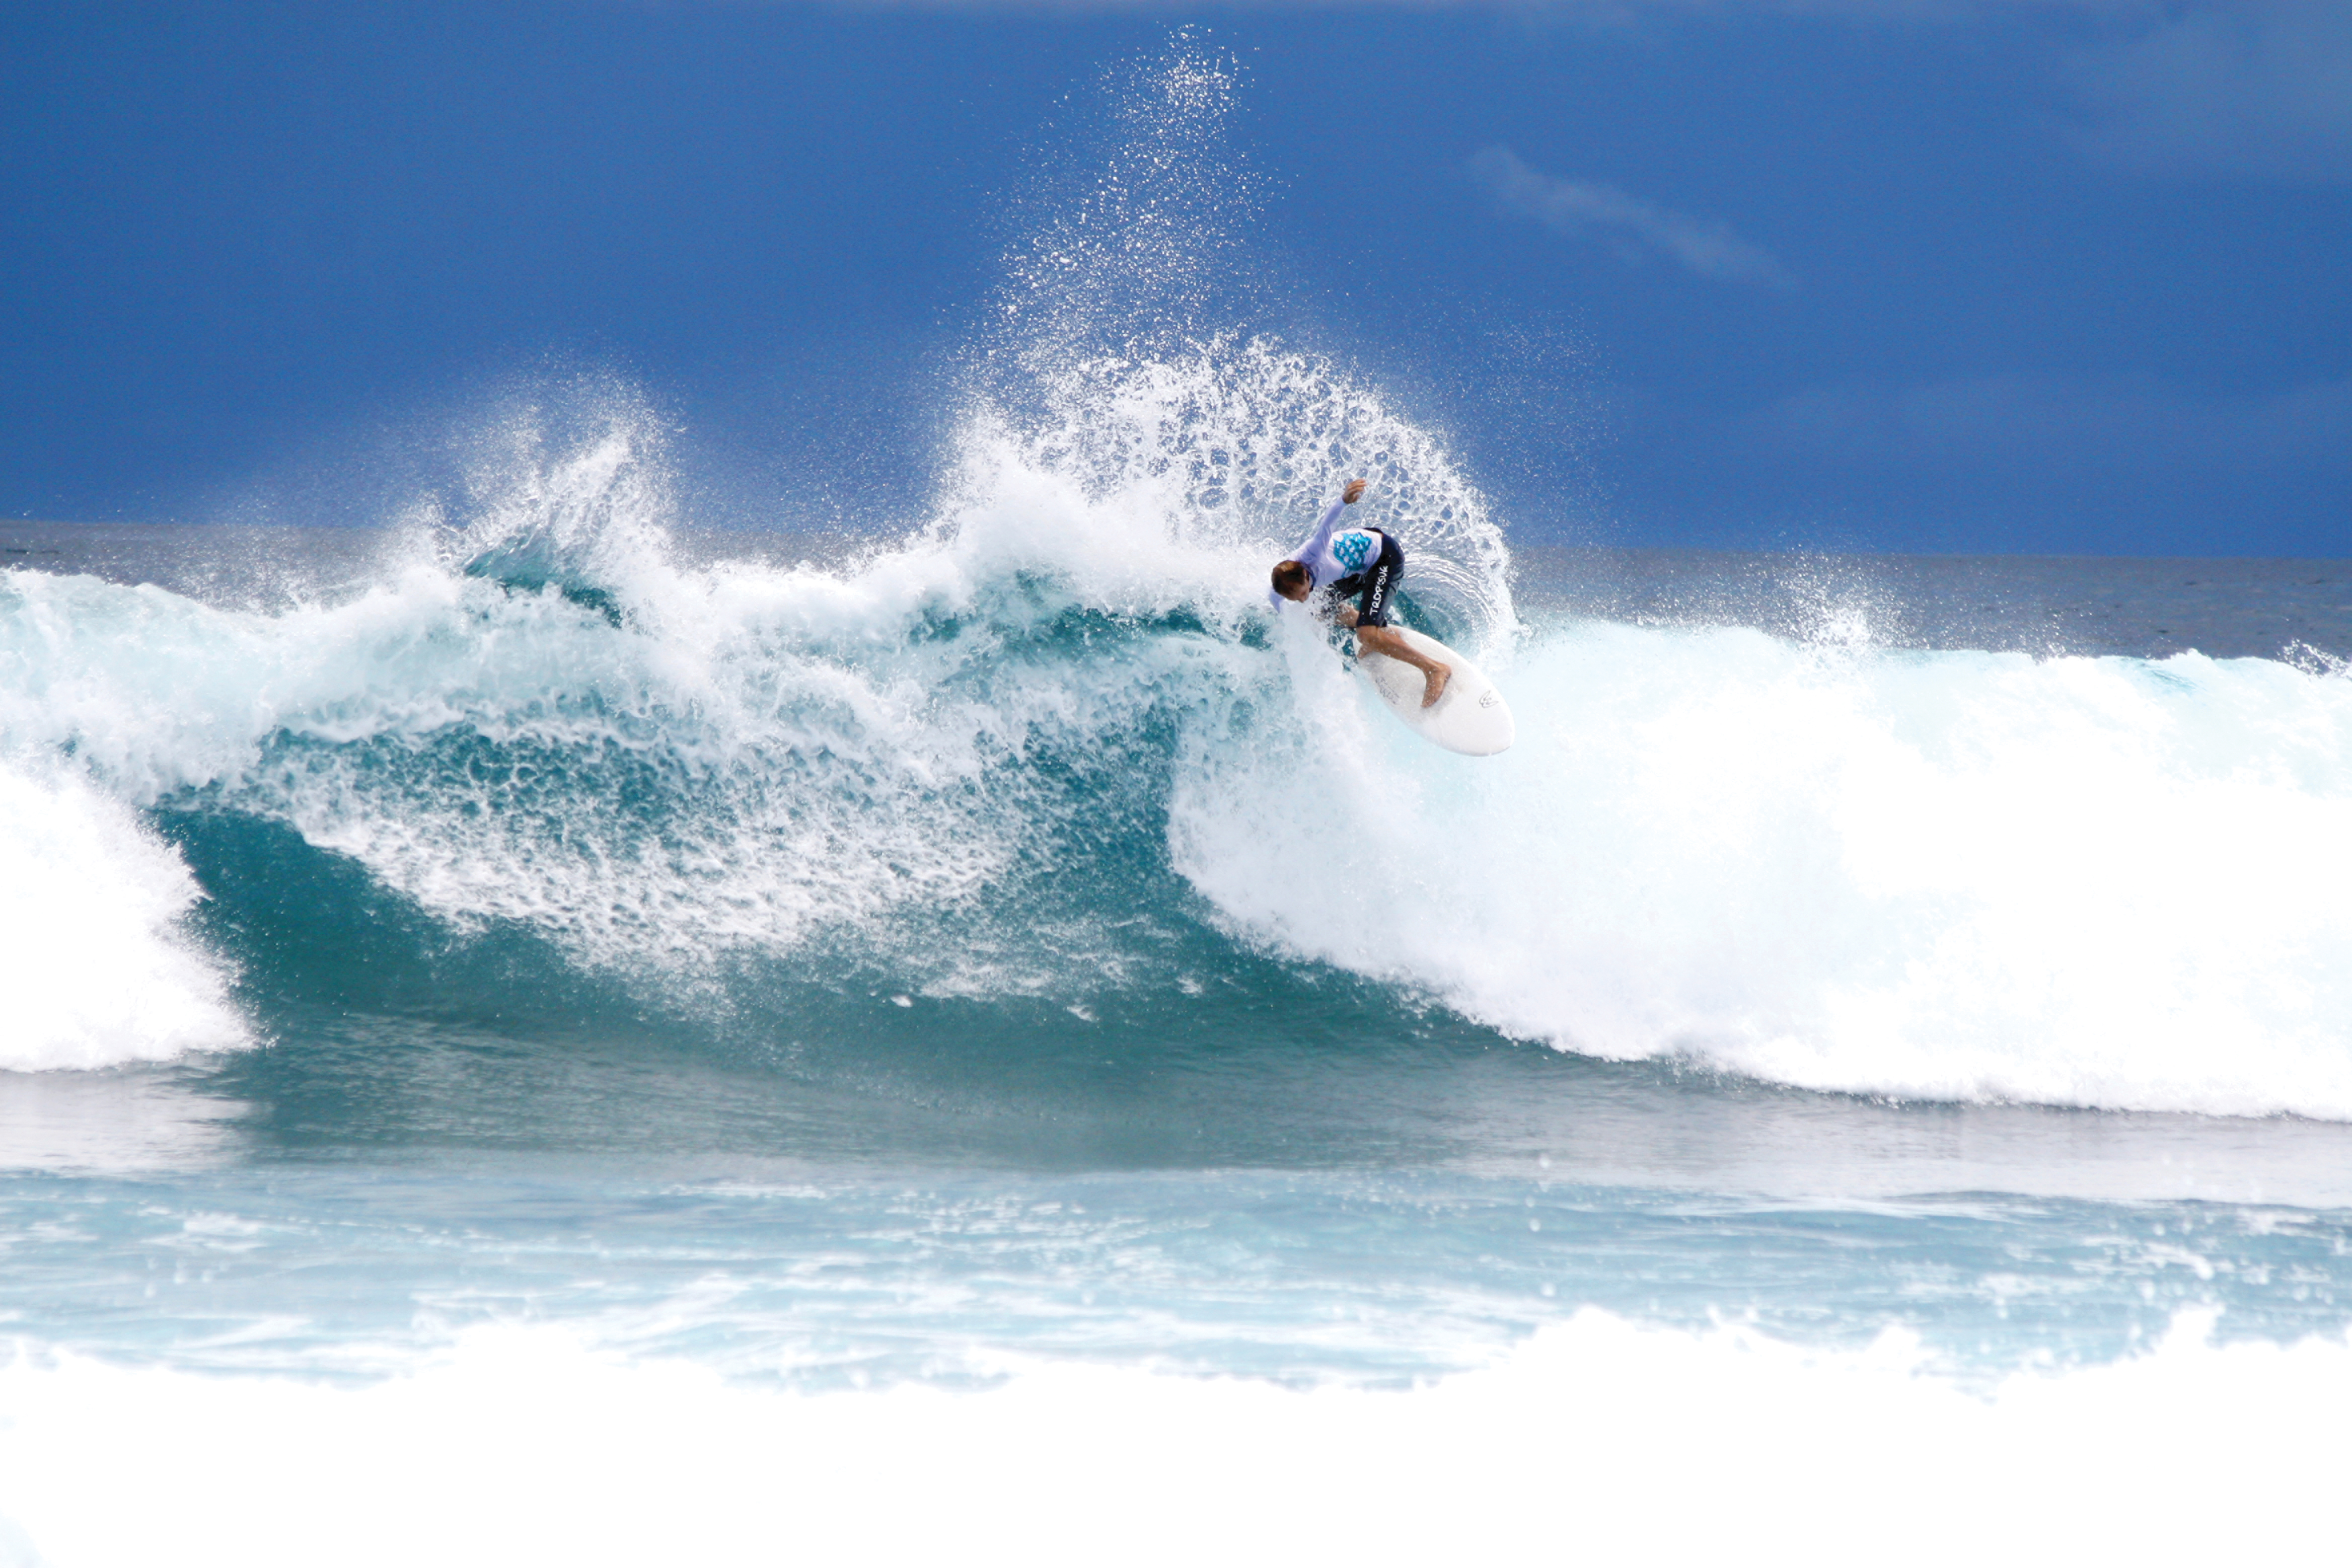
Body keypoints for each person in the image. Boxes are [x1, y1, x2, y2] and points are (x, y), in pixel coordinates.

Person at [1269, 479, 1451, 707]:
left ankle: (1434, 669)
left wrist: (1343, 501)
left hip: (1382, 557)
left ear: (1306, 575)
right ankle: (1375, 629)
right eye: (1296, 599)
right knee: (1320, 611)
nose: (1304, 599)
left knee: (1366, 636)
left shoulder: (1311, 554)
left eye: (1304, 593)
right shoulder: (1278, 590)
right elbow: (1280, 608)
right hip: (1355, 568)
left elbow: (1326, 526)